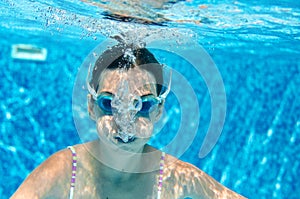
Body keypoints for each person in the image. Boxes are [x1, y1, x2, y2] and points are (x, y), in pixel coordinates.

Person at [11, 42, 246, 199]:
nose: (125, 123)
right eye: (108, 104)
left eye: (142, 106)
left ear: (158, 110)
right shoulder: (62, 172)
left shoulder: (177, 176)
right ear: (91, 106)